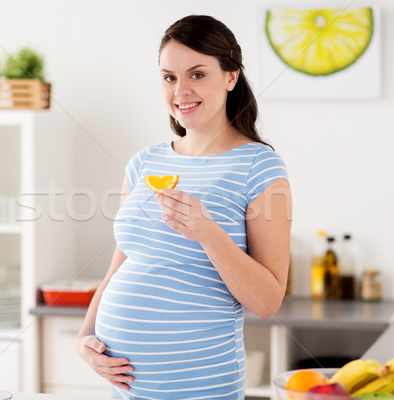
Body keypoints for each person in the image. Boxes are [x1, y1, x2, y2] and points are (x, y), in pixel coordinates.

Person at [76, 14, 292, 399]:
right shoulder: (144, 163)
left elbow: (267, 301)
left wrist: (209, 233)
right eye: (169, 77)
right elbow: (119, 267)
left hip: (201, 387)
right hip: (126, 388)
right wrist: (85, 338)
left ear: (231, 77)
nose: (181, 90)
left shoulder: (260, 167)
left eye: (197, 74)